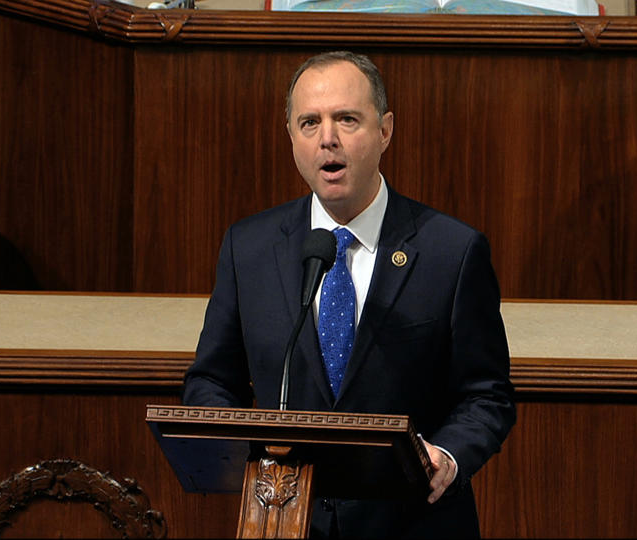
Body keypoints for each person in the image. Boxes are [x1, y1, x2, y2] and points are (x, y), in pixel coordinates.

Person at [182, 51, 516, 538]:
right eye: (309, 122)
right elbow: (210, 381)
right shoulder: (248, 248)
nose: (328, 139)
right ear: (291, 137)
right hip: (289, 521)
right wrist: (246, 446)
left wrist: (445, 455)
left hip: (414, 521)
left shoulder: (452, 251)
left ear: (385, 131)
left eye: (347, 119)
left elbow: (487, 394)